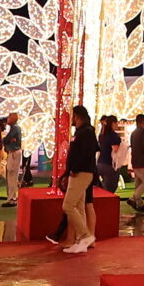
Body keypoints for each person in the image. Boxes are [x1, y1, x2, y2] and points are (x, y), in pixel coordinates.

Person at [59, 106, 99, 253]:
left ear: (77, 116)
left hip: (81, 173)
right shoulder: (82, 131)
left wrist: (74, 168)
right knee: (79, 206)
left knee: (68, 206)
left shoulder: (86, 132)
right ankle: (80, 241)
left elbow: (87, 153)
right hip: (79, 172)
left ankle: (84, 235)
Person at [96, 114, 124, 197]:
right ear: (113, 123)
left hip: (100, 163)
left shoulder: (102, 135)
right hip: (110, 164)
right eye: (116, 123)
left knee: (103, 187)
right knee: (110, 188)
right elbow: (115, 150)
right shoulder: (114, 136)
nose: (117, 125)